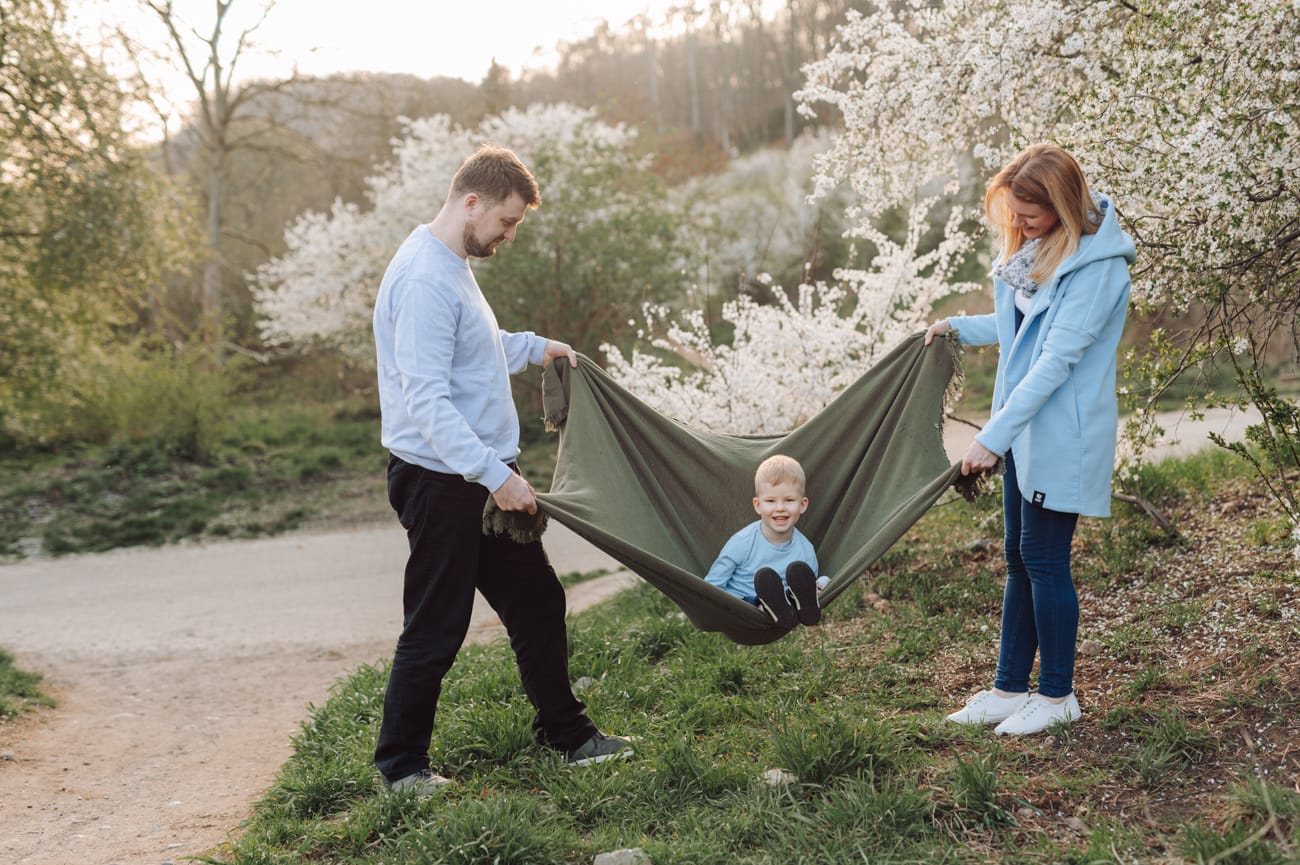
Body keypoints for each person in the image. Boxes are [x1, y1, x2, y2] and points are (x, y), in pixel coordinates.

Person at [371, 144, 632, 795]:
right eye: (507, 222)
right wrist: (496, 475)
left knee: (538, 601)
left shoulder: (449, 263)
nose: (509, 235)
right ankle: (401, 768)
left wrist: (533, 347)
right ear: (472, 201)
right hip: (445, 484)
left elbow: (473, 349)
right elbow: (427, 399)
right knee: (436, 624)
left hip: (474, 479)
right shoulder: (427, 279)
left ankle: (566, 734)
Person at [925, 143, 1135, 736]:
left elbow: (1055, 360)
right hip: (1023, 431)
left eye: (1030, 214)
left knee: (1044, 559)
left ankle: (1057, 694)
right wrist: (957, 327)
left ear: (1063, 206)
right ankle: (1008, 688)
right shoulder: (1038, 252)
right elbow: (1018, 324)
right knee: (1020, 559)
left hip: (1059, 432)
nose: (1018, 224)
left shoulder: (1097, 268)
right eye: (1013, 212)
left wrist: (991, 438)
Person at [704, 454, 829, 629]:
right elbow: (712, 585)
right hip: (744, 606)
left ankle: (787, 607)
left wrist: (820, 586)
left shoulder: (805, 549)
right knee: (754, 600)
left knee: (824, 580)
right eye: (770, 501)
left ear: (802, 504)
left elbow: (807, 583)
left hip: (785, 603)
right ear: (758, 505)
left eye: (789, 500)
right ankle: (767, 607)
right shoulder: (742, 543)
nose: (780, 508)